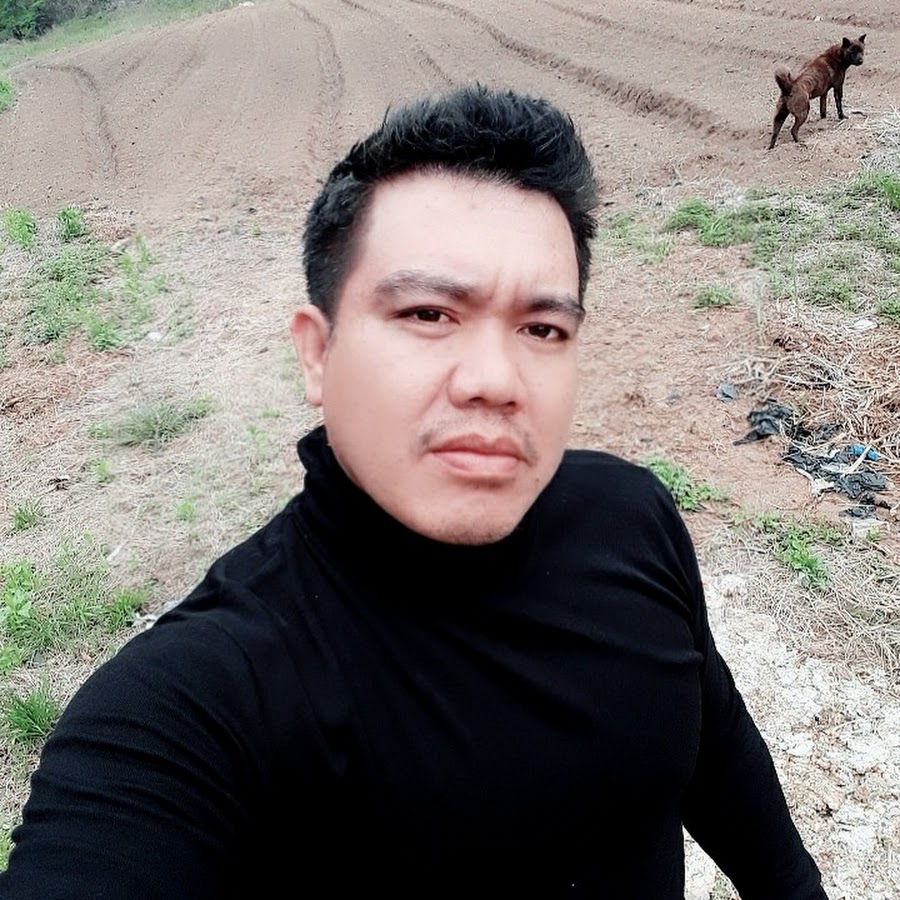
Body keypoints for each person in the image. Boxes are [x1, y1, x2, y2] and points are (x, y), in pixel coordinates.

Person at [0, 84, 827, 898]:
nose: (495, 379)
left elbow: (712, 740)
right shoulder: (194, 704)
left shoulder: (631, 518)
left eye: (542, 328)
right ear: (317, 353)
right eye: (429, 314)